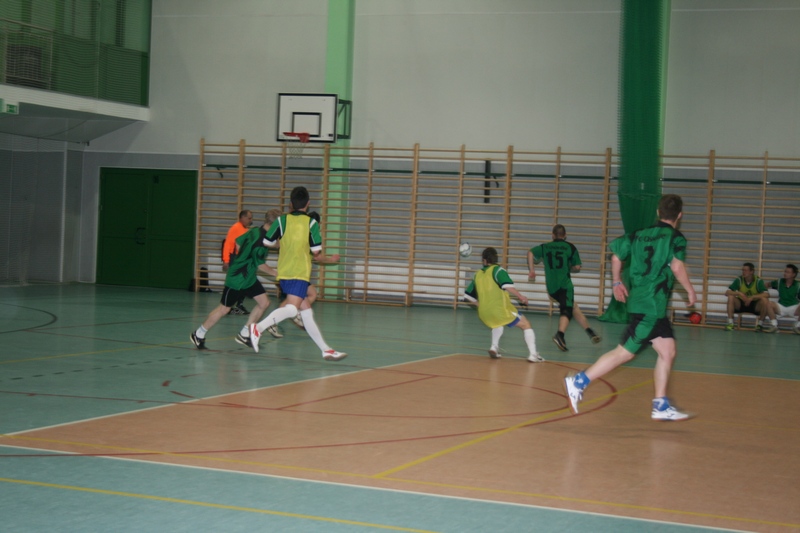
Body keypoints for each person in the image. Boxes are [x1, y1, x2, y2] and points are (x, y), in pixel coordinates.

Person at [563, 194, 697, 421]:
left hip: (646, 304)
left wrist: (617, 281)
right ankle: (579, 381)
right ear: (680, 216)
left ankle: (661, 405)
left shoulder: (638, 234)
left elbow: (616, 257)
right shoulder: (676, 238)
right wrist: (690, 290)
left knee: (667, 351)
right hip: (650, 306)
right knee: (624, 353)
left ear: (658, 212)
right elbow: (676, 267)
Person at [249, 186, 346, 361]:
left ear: (291, 203)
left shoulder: (282, 220)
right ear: (308, 203)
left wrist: (286, 243)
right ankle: (258, 328)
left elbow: (267, 242)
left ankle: (326, 350)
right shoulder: (311, 223)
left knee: (306, 312)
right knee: (292, 309)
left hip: (284, 272)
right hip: (299, 273)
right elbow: (316, 252)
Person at [190, 210, 280, 349]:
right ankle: (198, 334)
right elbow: (260, 265)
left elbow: (238, 243)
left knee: (264, 302)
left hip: (249, 277)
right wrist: (276, 274)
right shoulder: (260, 242)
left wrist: (245, 257)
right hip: (237, 278)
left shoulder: (255, 230)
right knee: (224, 309)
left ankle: (244, 334)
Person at [528, 224, 601, 351]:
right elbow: (577, 267)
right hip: (564, 285)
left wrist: (532, 270)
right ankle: (560, 335)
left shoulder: (545, 247)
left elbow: (530, 252)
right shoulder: (570, 247)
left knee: (573, 307)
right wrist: (569, 267)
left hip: (552, 288)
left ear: (553, 235)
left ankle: (590, 332)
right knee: (567, 310)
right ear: (565, 235)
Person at [464, 247, 543, 362]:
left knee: (497, 324)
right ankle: (533, 354)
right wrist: (521, 296)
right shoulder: (498, 270)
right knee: (526, 324)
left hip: (483, 312)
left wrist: (480, 305)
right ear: (496, 258)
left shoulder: (478, 274)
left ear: (484, 260)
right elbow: (507, 286)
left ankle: (494, 347)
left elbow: (467, 296)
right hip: (500, 310)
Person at [724, 262, 773, 332]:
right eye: (743, 270)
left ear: (751, 272)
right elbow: (727, 292)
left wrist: (752, 297)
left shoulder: (758, 281)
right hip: (741, 303)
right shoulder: (739, 280)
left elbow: (767, 294)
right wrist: (739, 293)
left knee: (765, 300)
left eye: (745, 270)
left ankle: (760, 325)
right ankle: (730, 323)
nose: (743, 272)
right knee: (730, 297)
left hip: (754, 304)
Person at [222, 209, 253, 316]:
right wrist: (226, 260)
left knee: (244, 282)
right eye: (249, 218)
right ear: (242, 218)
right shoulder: (235, 228)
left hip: (242, 259)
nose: (250, 220)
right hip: (234, 258)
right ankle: (228, 305)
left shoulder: (245, 230)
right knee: (234, 283)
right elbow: (227, 244)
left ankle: (238, 305)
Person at [767, 264, 800, 334]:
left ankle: (797, 326)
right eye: (785, 271)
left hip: (793, 307)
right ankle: (774, 325)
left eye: (788, 272)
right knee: (769, 304)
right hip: (781, 306)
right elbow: (767, 285)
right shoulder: (779, 282)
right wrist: (762, 291)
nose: (785, 273)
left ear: (794, 274)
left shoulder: (798, 285)